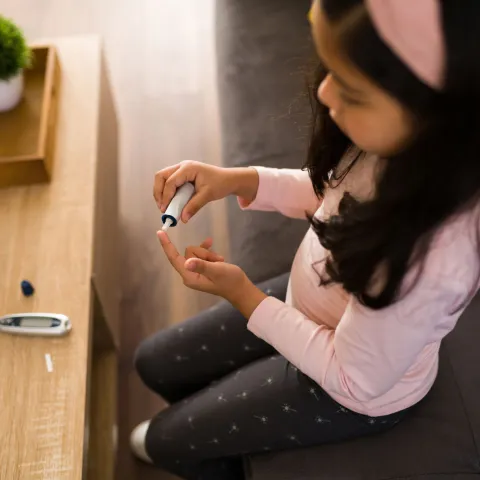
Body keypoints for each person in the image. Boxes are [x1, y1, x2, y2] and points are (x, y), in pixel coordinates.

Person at [131, 0, 480, 478]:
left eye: (351, 91)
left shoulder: (432, 264)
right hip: (313, 305)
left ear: (432, 121)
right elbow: (334, 192)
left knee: (166, 442)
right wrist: (238, 180)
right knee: (154, 363)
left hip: (349, 388)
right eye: (330, 69)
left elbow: (354, 379)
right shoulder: (393, 149)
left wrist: (245, 297)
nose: (324, 91)